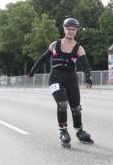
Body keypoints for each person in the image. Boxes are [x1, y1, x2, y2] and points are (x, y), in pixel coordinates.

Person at [27, 17, 94, 148]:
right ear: (64, 29)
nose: (71, 31)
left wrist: (88, 77)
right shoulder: (55, 45)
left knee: (76, 107)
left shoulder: (79, 48)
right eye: (69, 29)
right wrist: (32, 71)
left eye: (74, 29)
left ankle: (79, 131)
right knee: (62, 103)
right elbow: (42, 59)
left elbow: (86, 66)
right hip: (55, 78)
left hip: (71, 79)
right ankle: (63, 131)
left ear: (76, 31)